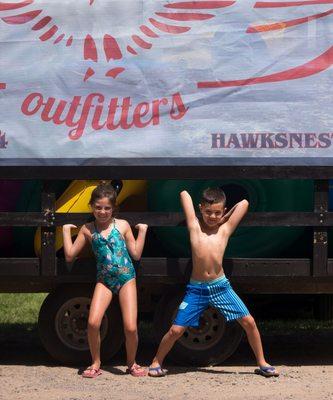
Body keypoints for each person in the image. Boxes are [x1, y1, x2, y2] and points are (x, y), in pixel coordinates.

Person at [148, 187, 279, 378]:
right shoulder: (194, 227)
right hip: (196, 290)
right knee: (176, 329)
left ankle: (262, 362)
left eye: (218, 212)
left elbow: (244, 203)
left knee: (249, 321)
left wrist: (225, 218)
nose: (212, 216)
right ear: (200, 209)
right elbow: (184, 193)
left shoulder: (224, 229)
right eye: (208, 212)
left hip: (220, 286)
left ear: (224, 211)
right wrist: (201, 212)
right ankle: (156, 361)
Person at [63, 182, 148, 378]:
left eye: (107, 208)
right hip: (104, 280)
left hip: (126, 277)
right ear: (92, 206)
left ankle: (132, 363)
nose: (102, 212)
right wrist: (67, 231)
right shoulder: (87, 229)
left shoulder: (123, 225)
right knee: (93, 323)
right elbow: (69, 256)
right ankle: (95, 362)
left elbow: (135, 254)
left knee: (131, 326)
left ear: (113, 209)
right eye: (98, 207)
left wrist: (142, 231)